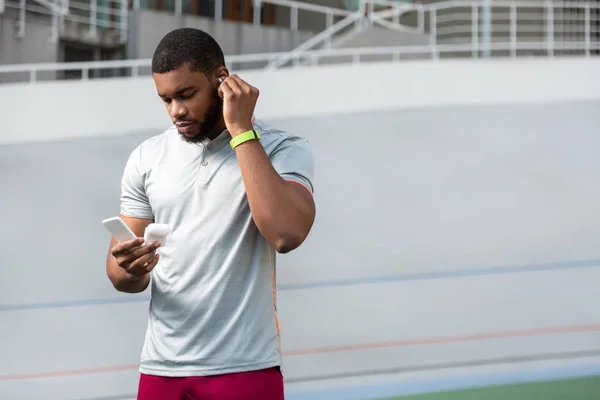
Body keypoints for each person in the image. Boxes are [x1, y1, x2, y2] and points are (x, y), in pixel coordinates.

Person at [105, 28, 316, 400]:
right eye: (166, 99)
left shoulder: (283, 148)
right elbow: (119, 273)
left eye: (186, 95)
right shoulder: (146, 157)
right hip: (160, 369)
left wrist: (240, 130)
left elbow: (286, 233)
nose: (176, 112)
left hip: (244, 367)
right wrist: (130, 270)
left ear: (222, 80)